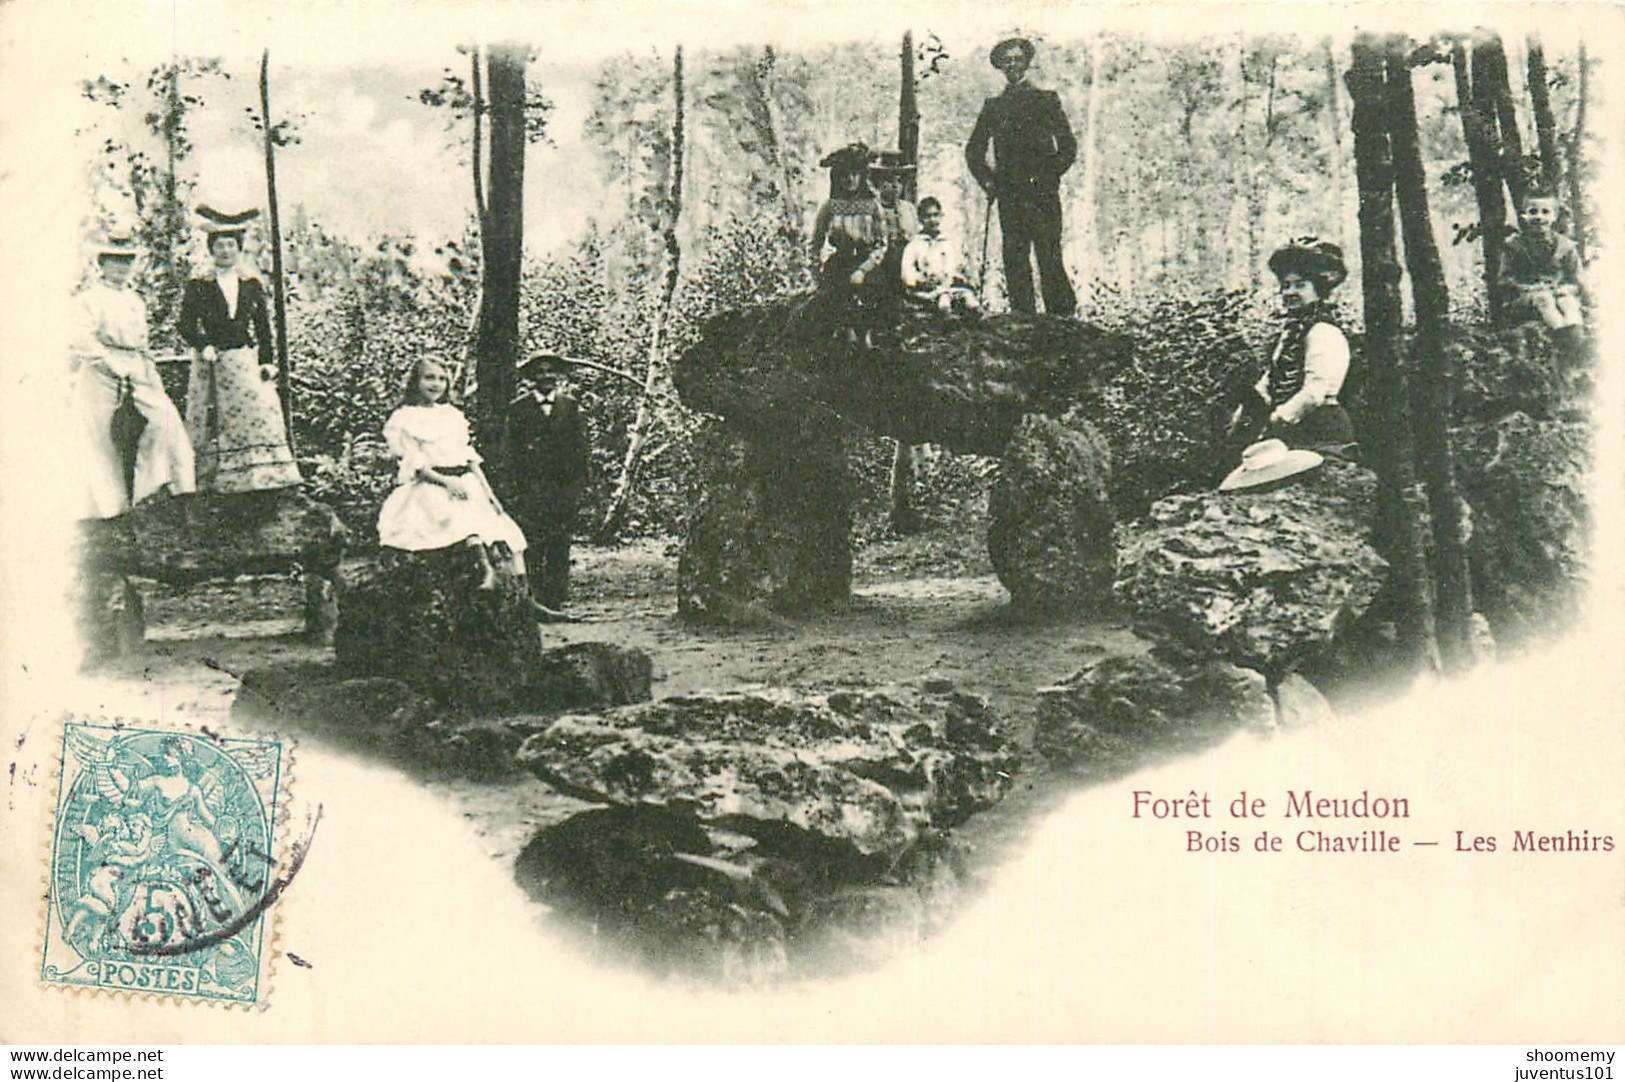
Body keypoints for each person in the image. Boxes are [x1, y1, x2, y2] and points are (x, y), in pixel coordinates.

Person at [71, 232, 196, 519]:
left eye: (126, 262)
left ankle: (154, 490)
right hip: (102, 373)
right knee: (103, 439)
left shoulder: (134, 299)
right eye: (114, 261)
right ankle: (109, 507)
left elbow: (141, 342)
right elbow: (80, 338)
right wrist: (108, 364)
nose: (121, 267)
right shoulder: (89, 299)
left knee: (164, 421)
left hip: (137, 367)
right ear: (101, 264)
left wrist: (147, 370)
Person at [177, 206, 301, 494]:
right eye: (219, 246)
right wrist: (203, 344)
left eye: (231, 245)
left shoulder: (250, 284)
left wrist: (267, 362)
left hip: (244, 358)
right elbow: (184, 324)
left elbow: (263, 328)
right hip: (213, 360)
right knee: (217, 417)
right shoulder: (199, 285)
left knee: (262, 409)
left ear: (239, 249)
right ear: (211, 250)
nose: (225, 251)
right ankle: (215, 479)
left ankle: (264, 477)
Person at [377, 356, 528, 591]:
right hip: (432, 483)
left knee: (507, 531)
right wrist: (447, 483)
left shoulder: (452, 415)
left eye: (441, 379)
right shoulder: (404, 418)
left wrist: (489, 494)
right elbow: (415, 464)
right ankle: (485, 572)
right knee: (462, 521)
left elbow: (469, 458)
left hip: (465, 481)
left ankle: (524, 594)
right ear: (416, 382)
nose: (435, 384)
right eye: (429, 378)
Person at [964, 36, 1077, 317]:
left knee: (1049, 252)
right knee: (1015, 255)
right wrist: (990, 182)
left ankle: (1061, 316)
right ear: (1000, 67)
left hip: (1042, 193)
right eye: (1007, 61)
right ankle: (1022, 318)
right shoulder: (994, 107)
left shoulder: (1046, 100)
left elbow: (1068, 146)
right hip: (1010, 194)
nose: (1012, 65)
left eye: (1017, 59)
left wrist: (1050, 175)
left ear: (1026, 62)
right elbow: (973, 152)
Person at [1222, 238, 1357, 467]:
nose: (1290, 292)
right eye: (1286, 286)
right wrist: (1244, 414)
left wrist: (1277, 418)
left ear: (1319, 289)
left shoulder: (1323, 332)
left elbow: (1314, 392)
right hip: (1289, 430)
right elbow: (1271, 380)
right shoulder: (1291, 333)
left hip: (1321, 430)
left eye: (1300, 285)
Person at [506, 354, 589, 612]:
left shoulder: (570, 406)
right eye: (539, 372)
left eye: (550, 371)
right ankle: (536, 594)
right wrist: (516, 488)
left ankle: (557, 594)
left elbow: (580, 448)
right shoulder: (518, 408)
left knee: (560, 539)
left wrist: (579, 484)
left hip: (562, 486)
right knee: (533, 539)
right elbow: (511, 451)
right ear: (531, 377)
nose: (546, 376)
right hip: (531, 487)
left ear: (558, 375)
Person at [810, 142, 889, 336]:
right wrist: (816, 267)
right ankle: (844, 334)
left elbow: (881, 244)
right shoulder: (831, 206)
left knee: (877, 290)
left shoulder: (872, 206)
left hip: (867, 262)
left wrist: (863, 269)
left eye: (854, 174)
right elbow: (816, 240)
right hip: (841, 260)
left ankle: (870, 338)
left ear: (862, 176)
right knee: (833, 293)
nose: (850, 179)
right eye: (844, 175)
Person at [1497, 191, 1585, 352]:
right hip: (1525, 299)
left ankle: (1575, 341)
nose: (1539, 217)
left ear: (1554, 216)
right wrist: (1527, 288)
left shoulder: (1565, 246)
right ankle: (1562, 340)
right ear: (1524, 216)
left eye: (1545, 212)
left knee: (1568, 301)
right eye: (1533, 211)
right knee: (1544, 299)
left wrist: (1567, 288)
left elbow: (1577, 280)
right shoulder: (1514, 246)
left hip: (1557, 293)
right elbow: (1504, 280)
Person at [900, 197, 982, 315]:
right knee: (944, 299)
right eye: (928, 216)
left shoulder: (947, 243)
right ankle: (945, 318)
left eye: (935, 215)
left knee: (968, 297)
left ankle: (978, 316)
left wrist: (958, 276)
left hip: (947, 287)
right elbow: (907, 272)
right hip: (926, 290)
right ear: (920, 219)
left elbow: (954, 267)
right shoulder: (914, 245)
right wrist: (921, 280)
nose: (933, 220)